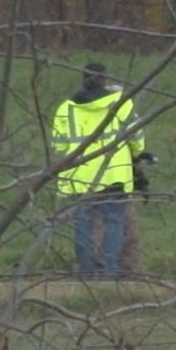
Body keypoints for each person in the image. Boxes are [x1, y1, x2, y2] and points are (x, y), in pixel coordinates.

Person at [52, 63, 146, 278]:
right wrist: (137, 155)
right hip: (115, 175)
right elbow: (137, 138)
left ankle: (86, 271)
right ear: (105, 80)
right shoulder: (121, 102)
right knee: (114, 223)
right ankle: (109, 270)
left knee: (83, 224)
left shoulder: (66, 108)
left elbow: (59, 146)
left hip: (79, 177)